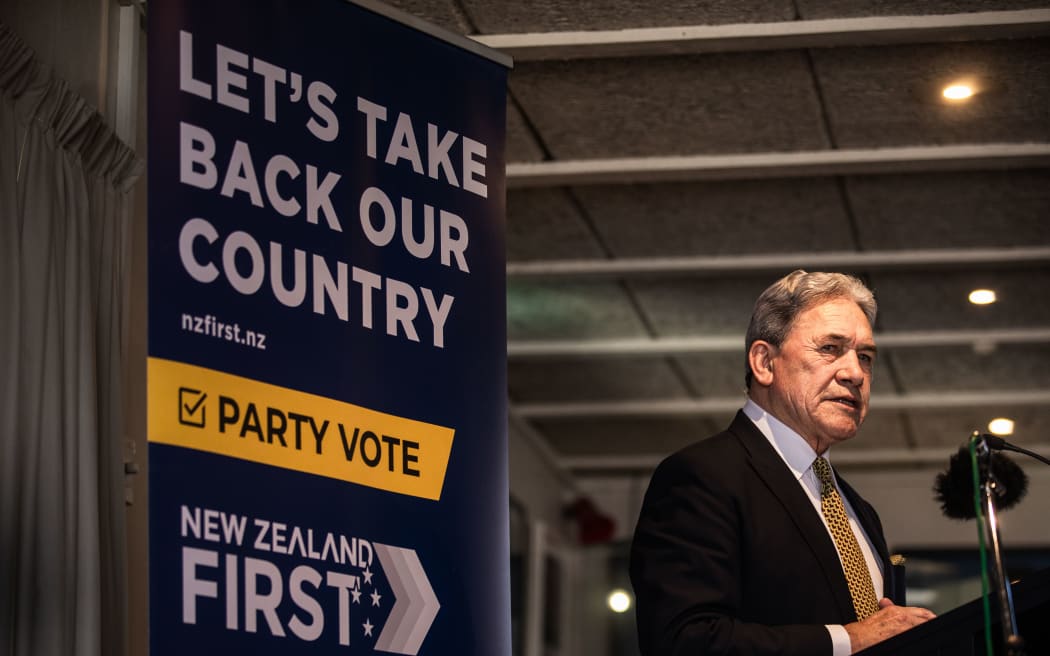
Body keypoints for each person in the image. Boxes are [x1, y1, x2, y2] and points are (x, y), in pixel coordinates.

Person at [630, 270, 936, 656]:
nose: (855, 373)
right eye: (830, 348)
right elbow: (683, 641)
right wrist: (849, 639)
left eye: (865, 356)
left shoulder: (860, 511)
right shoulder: (702, 476)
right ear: (764, 362)